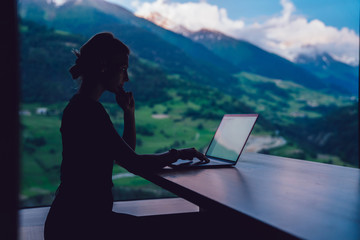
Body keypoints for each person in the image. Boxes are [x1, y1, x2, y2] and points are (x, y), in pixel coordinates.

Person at [43, 32, 210, 240]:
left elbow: (126, 156)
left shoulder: (80, 107)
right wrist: (177, 154)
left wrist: (128, 113)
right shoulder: (90, 111)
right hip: (82, 226)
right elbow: (134, 164)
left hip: (73, 221)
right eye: (123, 69)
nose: (127, 77)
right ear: (103, 65)